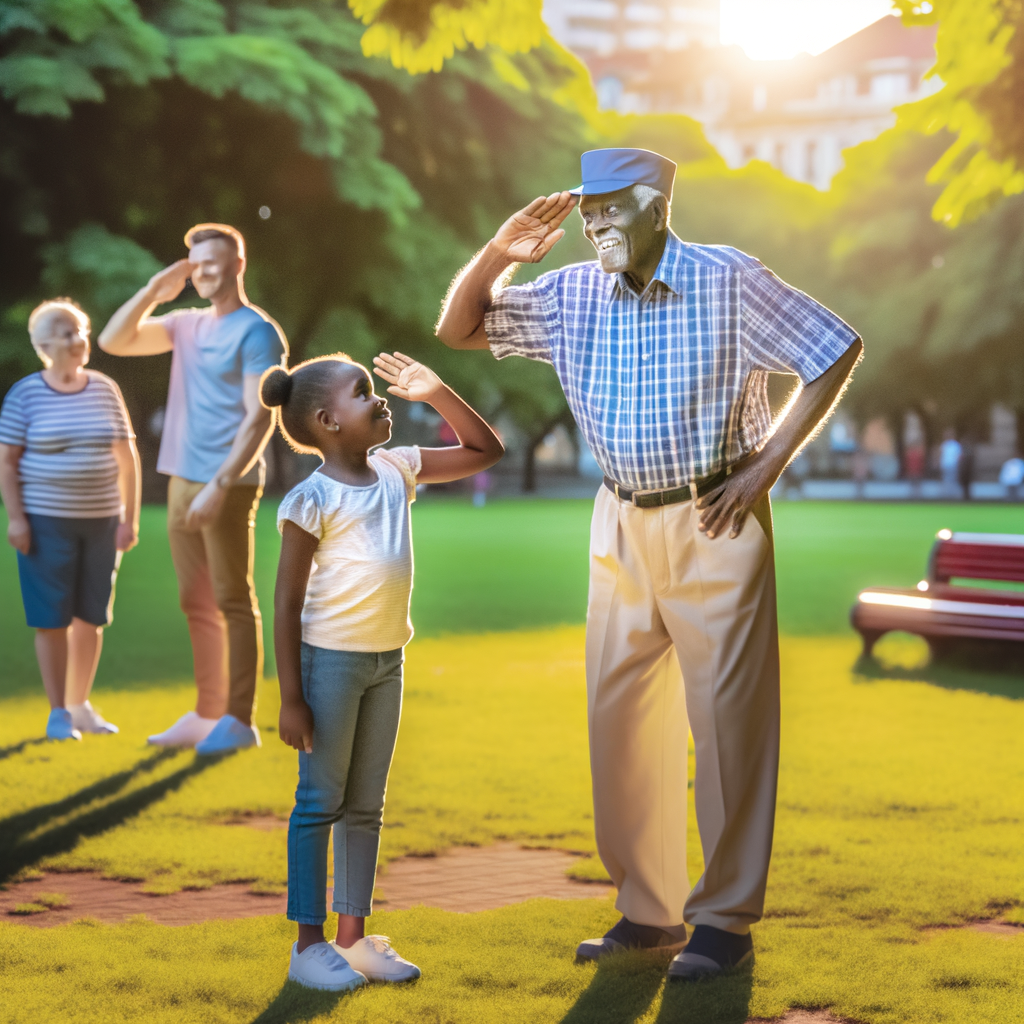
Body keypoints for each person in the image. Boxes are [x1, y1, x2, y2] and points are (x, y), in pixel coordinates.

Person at [436, 148, 863, 981]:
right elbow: (459, 328)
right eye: (587, 210)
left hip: (715, 516)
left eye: (612, 207)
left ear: (658, 205)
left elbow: (834, 348)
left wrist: (764, 466)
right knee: (620, 725)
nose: (596, 223)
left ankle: (725, 923)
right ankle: (649, 911)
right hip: (619, 521)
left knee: (731, 730)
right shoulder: (568, 293)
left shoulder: (729, 279)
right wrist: (496, 254)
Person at [266, 350, 502, 991]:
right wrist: (292, 697)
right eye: (363, 392)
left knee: (365, 806)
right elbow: (285, 603)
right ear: (326, 420)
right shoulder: (310, 498)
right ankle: (308, 946)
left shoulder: (397, 468)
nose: (380, 400)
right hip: (329, 667)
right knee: (320, 803)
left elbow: (486, 449)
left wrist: (438, 393)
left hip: (386, 663)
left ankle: (355, 939)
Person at [99, 224, 287, 754]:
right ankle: (207, 712)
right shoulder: (183, 324)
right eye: (194, 263)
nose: (202, 272)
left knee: (231, 597)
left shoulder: (258, 333)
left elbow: (259, 418)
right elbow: (112, 341)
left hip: (228, 480)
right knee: (194, 599)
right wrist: (153, 292)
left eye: (212, 263)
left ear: (236, 266)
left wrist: (220, 484)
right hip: (182, 475)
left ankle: (239, 719)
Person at [0, 299, 140, 740]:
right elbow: (7, 462)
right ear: (43, 344)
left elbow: (126, 457)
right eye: (65, 332)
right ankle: (58, 711)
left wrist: (128, 518)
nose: (78, 339)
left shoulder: (104, 388)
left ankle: (80, 706)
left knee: (91, 617)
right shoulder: (25, 394)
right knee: (51, 618)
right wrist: (17, 519)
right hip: (45, 522)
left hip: (102, 522)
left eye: (79, 329)